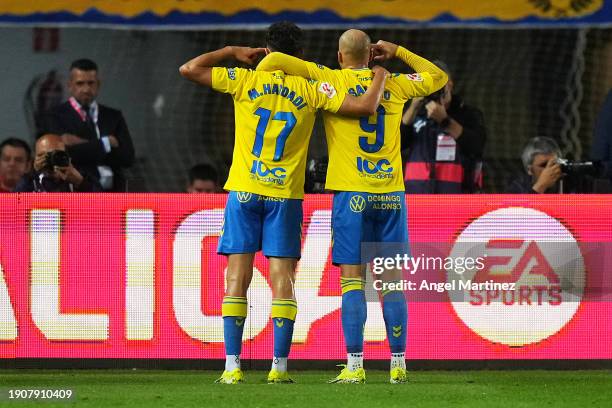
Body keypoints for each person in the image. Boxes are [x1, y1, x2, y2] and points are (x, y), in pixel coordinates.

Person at [179, 21, 388, 384]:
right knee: (283, 279)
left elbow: (188, 69)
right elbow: (362, 107)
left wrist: (232, 51)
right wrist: (379, 77)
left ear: (266, 48)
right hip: (286, 196)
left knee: (236, 277)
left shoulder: (245, 80)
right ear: (301, 55)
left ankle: (232, 368)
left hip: (244, 190)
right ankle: (279, 367)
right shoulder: (311, 88)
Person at [257, 31, 447, 383]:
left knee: (352, 282)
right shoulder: (396, 84)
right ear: (373, 55)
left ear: (340, 56)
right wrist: (399, 51)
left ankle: (356, 366)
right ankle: (399, 365)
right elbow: (439, 77)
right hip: (391, 193)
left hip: (351, 195)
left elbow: (273, 61)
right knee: (391, 282)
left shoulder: (331, 78)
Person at [41, 59, 135, 191]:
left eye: (91, 83)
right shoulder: (55, 116)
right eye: (80, 83)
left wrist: (81, 145)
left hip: (114, 192)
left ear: (98, 84)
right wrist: (106, 143)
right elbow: (63, 156)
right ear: (70, 85)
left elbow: (127, 157)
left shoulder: (114, 116)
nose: (86, 89)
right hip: (79, 191)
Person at [401, 60, 486, 193]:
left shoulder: (467, 113)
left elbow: (476, 146)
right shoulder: (416, 113)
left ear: (450, 84)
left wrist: (445, 120)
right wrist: (413, 106)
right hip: (416, 195)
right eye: (430, 83)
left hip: (455, 197)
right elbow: (396, 144)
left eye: (439, 83)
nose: (435, 88)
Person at [15, 134, 101, 192]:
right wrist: (33, 174)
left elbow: (104, 206)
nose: (50, 160)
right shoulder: (30, 182)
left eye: (56, 154)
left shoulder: (81, 175)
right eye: (43, 156)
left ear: (67, 155)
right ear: (35, 158)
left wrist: (81, 183)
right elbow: (14, 206)